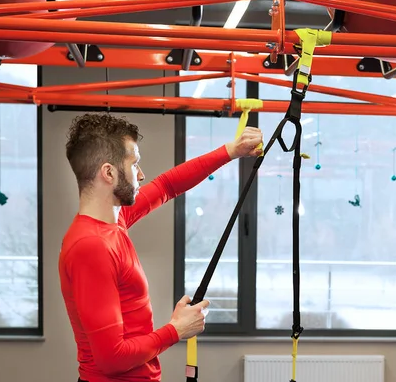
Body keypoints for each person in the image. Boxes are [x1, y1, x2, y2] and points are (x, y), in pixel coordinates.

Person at [58, 112, 264, 382]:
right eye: (134, 165)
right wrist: (176, 330)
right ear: (108, 172)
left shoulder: (114, 222)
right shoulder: (91, 246)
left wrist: (231, 151)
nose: (141, 175)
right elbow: (112, 358)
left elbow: (168, 185)